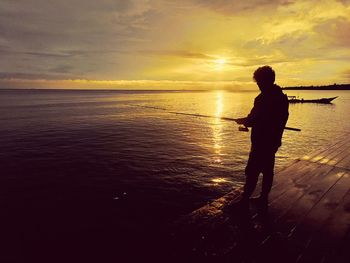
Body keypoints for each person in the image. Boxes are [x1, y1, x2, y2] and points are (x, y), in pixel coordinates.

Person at [235, 65, 289, 211]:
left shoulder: (262, 99)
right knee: (267, 170)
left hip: (260, 143)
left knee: (252, 171)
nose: (258, 84)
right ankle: (263, 198)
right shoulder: (282, 98)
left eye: (259, 81)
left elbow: (254, 119)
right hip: (273, 142)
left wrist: (244, 121)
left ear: (265, 81)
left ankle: (244, 201)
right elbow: (280, 118)